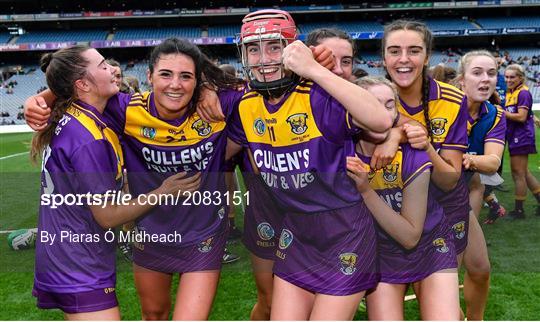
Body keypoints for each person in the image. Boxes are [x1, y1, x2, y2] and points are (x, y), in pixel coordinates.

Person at [25, 38, 245, 320]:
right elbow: (71, 85)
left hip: (203, 235)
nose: (175, 84)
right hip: (149, 234)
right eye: (165, 74)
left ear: (197, 79)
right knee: (153, 314)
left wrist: (209, 88)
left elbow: (261, 89)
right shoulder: (122, 110)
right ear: (149, 76)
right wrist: (40, 100)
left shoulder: (217, 104)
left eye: (186, 76)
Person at [227, 9, 393, 320]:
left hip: (344, 231)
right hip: (296, 232)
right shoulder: (246, 104)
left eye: (273, 47)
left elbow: (381, 120)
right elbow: (217, 152)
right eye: (253, 49)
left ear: (294, 50)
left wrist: (314, 70)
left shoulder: (317, 95)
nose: (263, 59)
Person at [31, 45, 188, 320]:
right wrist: (163, 191)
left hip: (68, 253)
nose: (114, 69)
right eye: (103, 66)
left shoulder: (77, 116)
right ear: (82, 84)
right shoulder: (89, 139)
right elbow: (107, 216)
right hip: (78, 262)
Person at [346, 76, 459, 320]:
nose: (383, 114)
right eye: (372, 104)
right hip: (379, 254)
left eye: (389, 105)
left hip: (430, 245)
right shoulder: (341, 153)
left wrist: (366, 190)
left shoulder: (412, 153)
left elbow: (410, 237)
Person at [379, 20, 470, 259]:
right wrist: (396, 134)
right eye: (394, 51)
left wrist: (425, 145)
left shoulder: (452, 100)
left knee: (475, 271)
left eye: (414, 51)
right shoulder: (367, 97)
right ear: (384, 56)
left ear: (427, 56)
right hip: (389, 212)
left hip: (443, 209)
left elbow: (450, 180)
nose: (404, 59)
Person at [455, 50, 506, 320]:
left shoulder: (495, 113)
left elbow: (492, 162)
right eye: (477, 73)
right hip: (423, 200)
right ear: (462, 79)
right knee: (442, 276)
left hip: (459, 195)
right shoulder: (443, 106)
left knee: (480, 269)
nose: (486, 79)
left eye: (491, 73)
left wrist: (463, 158)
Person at [503, 64, 540, 218]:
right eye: (506, 76)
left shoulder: (523, 93)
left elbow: (521, 116)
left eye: (512, 77)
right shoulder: (512, 92)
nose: (508, 80)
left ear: (520, 77)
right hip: (516, 136)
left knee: (518, 173)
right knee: (523, 172)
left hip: (522, 136)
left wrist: (501, 112)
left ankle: (519, 211)